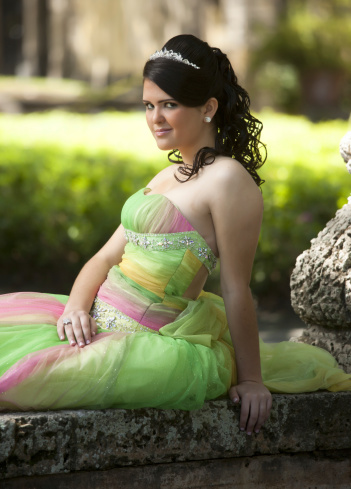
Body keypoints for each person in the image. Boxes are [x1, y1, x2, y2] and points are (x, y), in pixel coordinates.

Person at [0, 35, 350, 435]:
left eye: (170, 105)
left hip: (150, 346)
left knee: (20, 379)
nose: (155, 118)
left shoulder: (229, 182)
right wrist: (76, 308)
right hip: (90, 322)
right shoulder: (166, 175)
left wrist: (252, 379)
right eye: (149, 105)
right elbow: (103, 258)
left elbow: (236, 288)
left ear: (208, 108)